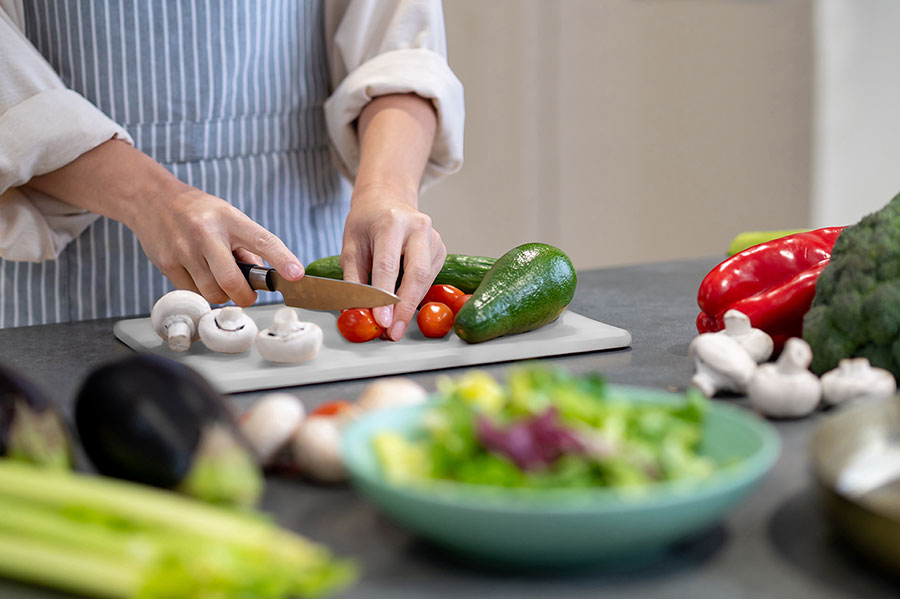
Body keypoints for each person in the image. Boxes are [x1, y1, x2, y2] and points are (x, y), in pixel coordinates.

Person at [0, 0, 464, 340]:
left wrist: (386, 189)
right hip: (63, 283)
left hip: (304, 238)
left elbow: (399, 48)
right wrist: (149, 198)